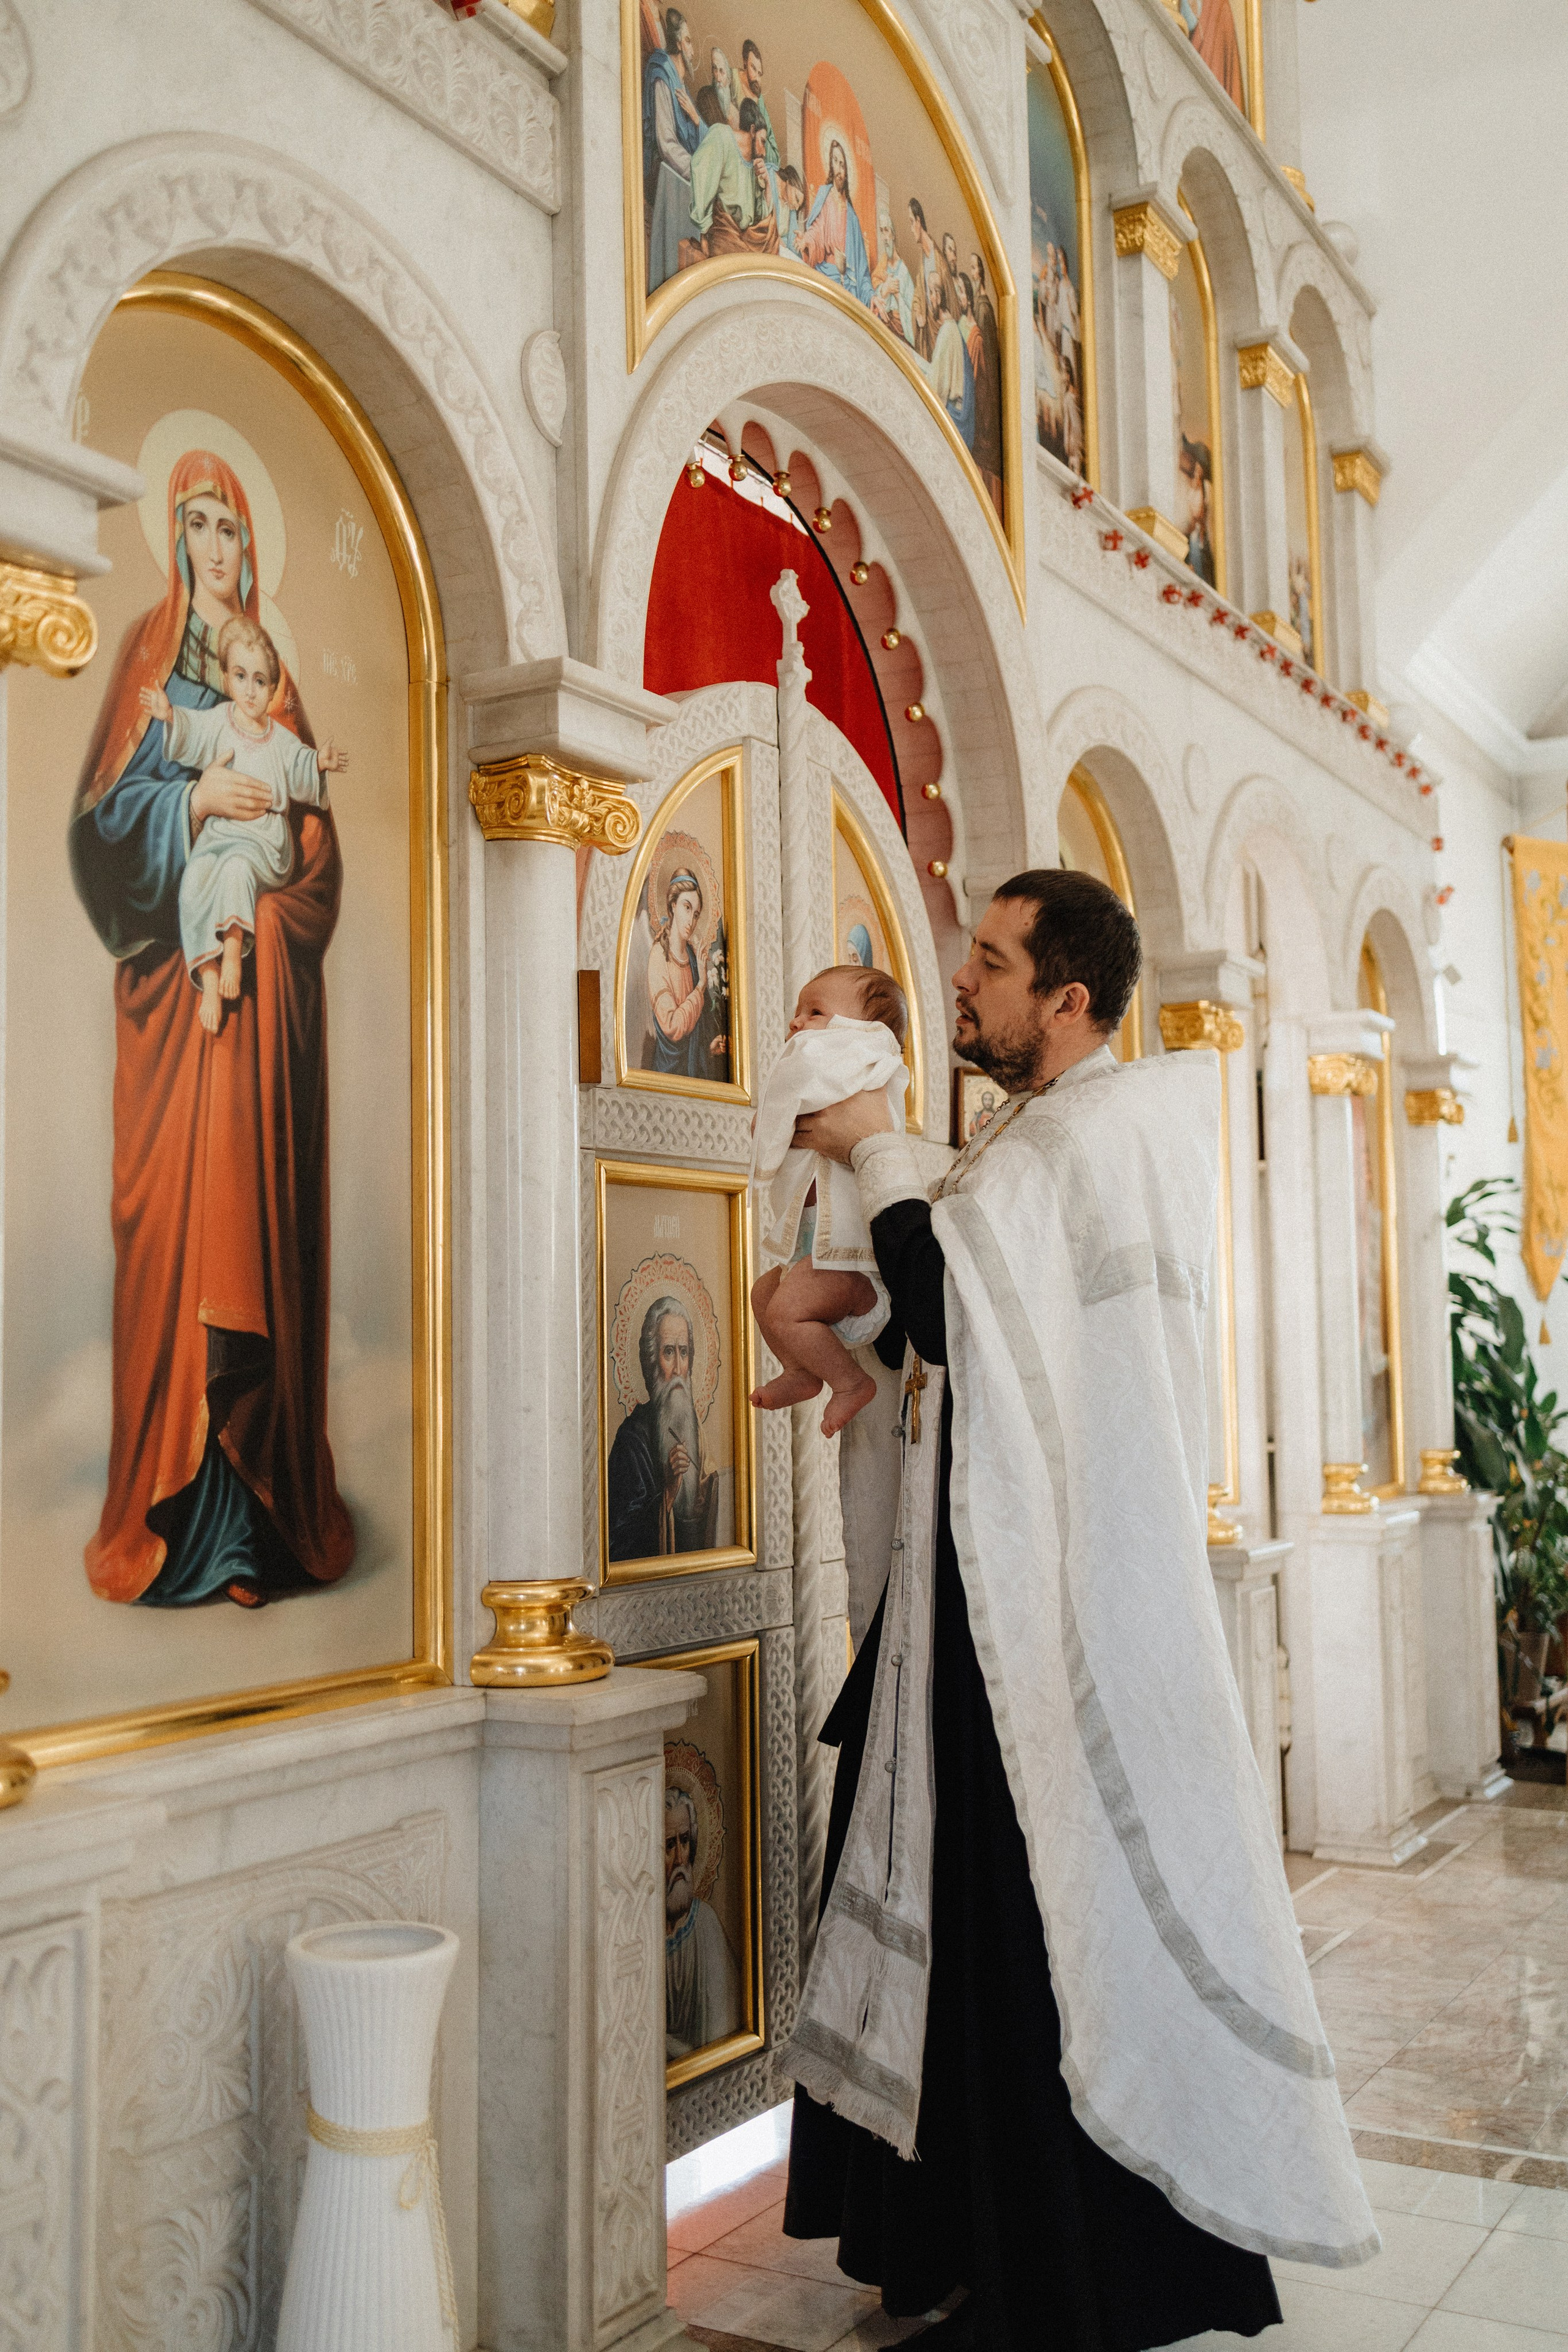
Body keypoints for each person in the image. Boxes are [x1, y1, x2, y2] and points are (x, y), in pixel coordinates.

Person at [780, 870, 1376, 2346]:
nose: (959, 982)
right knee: (960, 1923)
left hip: (1043, 1615)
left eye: (987, 963)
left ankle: (1056, 2281)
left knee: (1025, 1933)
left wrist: (874, 1143)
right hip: (967, 1598)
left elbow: (952, 1303)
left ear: (1063, 998)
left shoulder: (1095, 1133)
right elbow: (954, 1326)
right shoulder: (1028, 1135)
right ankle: (953, 2242)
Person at [68, 448, 353, 1609]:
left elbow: (319, 853)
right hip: (175, 1024)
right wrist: (192, 800)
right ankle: (178, 1513)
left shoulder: (274, 689)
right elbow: (103, 835)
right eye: (198, 527)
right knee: (179, 1237)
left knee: (257, 1234)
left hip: (262, 1009)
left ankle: (263, 1520)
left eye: (231, 528)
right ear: (177, 542)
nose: (218, 549)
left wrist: (275, 878)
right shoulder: (149, 661)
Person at [140, 619, 347, 1034]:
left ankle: (232, 952)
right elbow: (191, 733)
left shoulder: (280, 739)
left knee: (236, 869)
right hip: (219, 836)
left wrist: (319, 763)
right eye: (240, 677)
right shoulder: (219, 721)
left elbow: (301, 768)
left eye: (260, 681)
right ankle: (209, 976)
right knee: (194, 881)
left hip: (265, 844)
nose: (250, 690)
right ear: (226, 678)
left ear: (272, 690)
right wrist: (170, 716)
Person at [750, 965, 909, 1438]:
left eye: (815, 1012)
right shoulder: (831, 1067)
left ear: (864, 1030)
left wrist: (774, 1117)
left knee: (785, 1310)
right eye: (798, 1012)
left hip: (854, 1267)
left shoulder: (867, 1060)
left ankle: (850, 1383)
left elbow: (807, 1084)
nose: (797, 1022)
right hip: (814, 1249)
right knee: (763, 1295)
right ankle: (802, 1370)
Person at [606, 1296, 719, 1562]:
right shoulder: (632, 1440)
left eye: (684, 1352)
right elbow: (618, 1542)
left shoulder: (697, 1433)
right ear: (652, 1361)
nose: (679, 1368)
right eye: (669, 1352)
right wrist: (667, 1493)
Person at [665, 1769, 743, 2059]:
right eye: (669, 1845)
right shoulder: (637, 1935)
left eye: (685, 1841)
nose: (680, 1858)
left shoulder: (706, 1925)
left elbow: (720, 2038)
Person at [642, 7, 703, 291]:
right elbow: (666, 143)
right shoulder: (662, 75)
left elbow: (702, 146)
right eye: (689, 41)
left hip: (685, 174)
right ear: (678, 43)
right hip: (665, 175)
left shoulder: (684, 90)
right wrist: (698, 172)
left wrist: (697, 119)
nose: (692, 50)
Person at [688, 99, 779, 262]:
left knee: (772, 239)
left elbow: (761, 216)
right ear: (753, 130)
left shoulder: (754, 165)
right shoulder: (722, 136)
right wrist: (704, 232)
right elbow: (702, 179)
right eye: (763, 142)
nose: (764, 152)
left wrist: (767, 184)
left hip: (746, 238)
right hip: (724, 233)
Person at [799, 140, 873, 306]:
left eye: (843, 165)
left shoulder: (853, 218)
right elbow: (817, 229)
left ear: (848, 172)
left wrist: (872, 296)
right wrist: (807, 241)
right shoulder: (825, 195)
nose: (839, 170)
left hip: (848, 286)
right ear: (831, 163)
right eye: (835, 161)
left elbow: (862, 272)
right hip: (826, 275)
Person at [967, 251, 1004, 512]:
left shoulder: (983, 308)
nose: (972, 272)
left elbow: (985, 345)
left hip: (985, 370)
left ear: (980, 273)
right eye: (971, 268)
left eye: (974, 268)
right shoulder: (981, 305)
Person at [927, 279, 974, 451]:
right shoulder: (952, 328)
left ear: (939, 297)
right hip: (960, 417)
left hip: (954, 421)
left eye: (931, 293)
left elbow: (936, 390)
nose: (930, 299)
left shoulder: (947, 332)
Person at [738, 38, 778, 168]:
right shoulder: (730, 80)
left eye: (760, 74)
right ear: (745, 62)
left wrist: (761, 138)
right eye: (753, 68)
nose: (757, 78)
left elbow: (775, 160)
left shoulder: (759, 102)